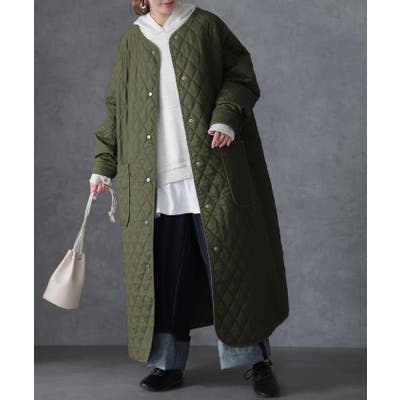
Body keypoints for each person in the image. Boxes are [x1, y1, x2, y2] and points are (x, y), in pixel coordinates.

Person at [89, 0, 289, 397]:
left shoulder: (206, 26)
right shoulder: (133, 41)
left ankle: (256, 362)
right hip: (153, 183)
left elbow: (241, 74)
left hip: (211, 173)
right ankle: (167, 364)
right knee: (165, 277)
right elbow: (117, 109)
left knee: (235, 271)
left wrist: (226, 116)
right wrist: (103, 164)